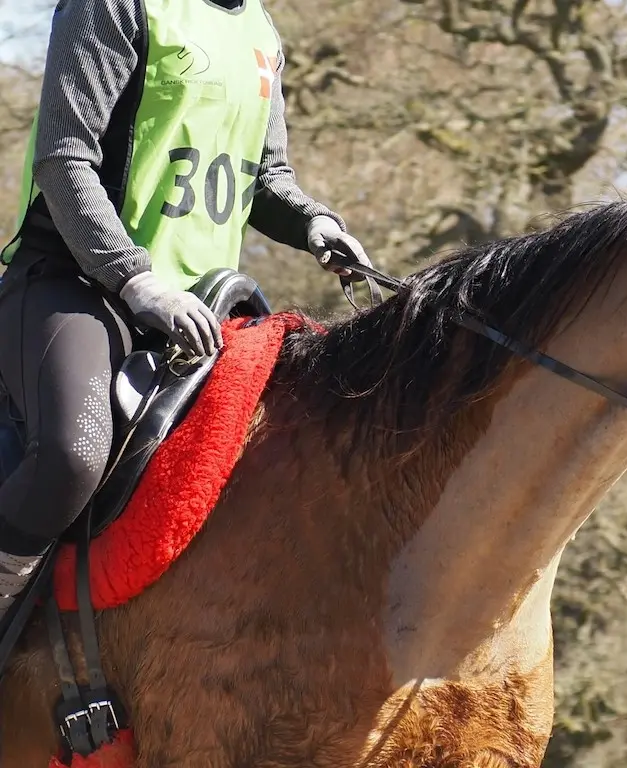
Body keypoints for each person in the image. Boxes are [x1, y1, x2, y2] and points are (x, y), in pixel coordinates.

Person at [0, 0, 368, 624]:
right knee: (73, 454)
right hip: (77, 284)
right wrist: (134, 278)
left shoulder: (259, 31)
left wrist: (314, 223)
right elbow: (65, 160)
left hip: (197, 315)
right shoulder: (112, 5)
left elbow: (266, 175)